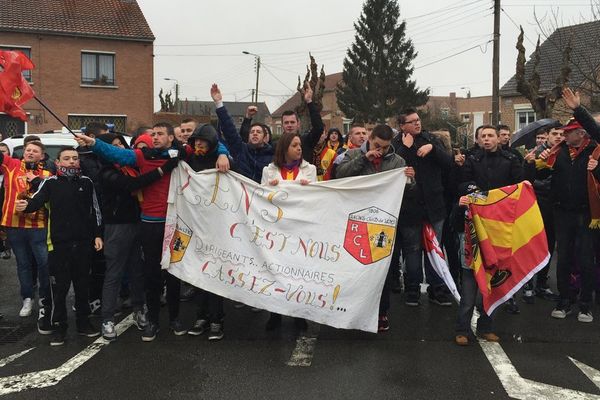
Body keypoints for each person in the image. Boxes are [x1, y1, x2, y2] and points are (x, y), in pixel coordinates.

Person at [74, 123, 230, 341]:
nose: (155, 137)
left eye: (160, 134)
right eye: (153, 134)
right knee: (152, 275)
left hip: (176, 224)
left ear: (170, 138)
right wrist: (94, 143)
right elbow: (115, 153)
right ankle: (154, 322)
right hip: (150, 224)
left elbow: (210, 143)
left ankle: (175, 319)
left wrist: (223, 154)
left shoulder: (182, 153)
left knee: (175, 274)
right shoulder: (141, 156)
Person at [16, 147, 103, 346]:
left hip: (83, 244)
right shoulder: (50, 183)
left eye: (74, 158)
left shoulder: (87, 182)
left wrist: (98, 235)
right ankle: (59, 326)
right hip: (58, 245)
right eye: (67, 158)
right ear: (58, 163)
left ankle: (83, 323)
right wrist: (25, 206)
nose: (71, 161)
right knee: (60, 289)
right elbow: (36, 201)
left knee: (83, 287)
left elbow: (96, 211)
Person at [96, 133, 179, 341]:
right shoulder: (107, 171)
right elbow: (133, 185)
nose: (119, 149)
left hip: (139, 222)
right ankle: (107, 318)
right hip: (118, 226)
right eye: (113, 146)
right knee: (114, 272)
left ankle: (139, 308)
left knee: (137, 271)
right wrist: (163, 169)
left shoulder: (134, 166)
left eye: (121, 145)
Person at [336, 124, 415, 331]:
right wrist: (364, 159)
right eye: (378, 145)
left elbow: (407, 190)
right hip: (356, 220)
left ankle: (381, 312)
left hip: (383, 223)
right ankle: (351, 310)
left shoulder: (397, 161)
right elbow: (340, 176)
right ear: (369, 138)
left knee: (383, 269)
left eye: (386, 146)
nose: (381, 150)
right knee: (354, 268)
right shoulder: (351, 154)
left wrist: (410, 179)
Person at [455, 125, 523, 346]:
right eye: (482, 136)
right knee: (469, 279)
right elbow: (462, 183)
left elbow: (519, 186)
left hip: (499, 228)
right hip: (473, 226)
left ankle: (487, 326)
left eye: (490, 135)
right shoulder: (471, 160)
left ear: (498, 138)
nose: (486, 139)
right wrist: (475, 192)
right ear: (477, 139)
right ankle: (462, 329)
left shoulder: (511, 160)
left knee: (494, 279)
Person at [538, 119, 600, 323]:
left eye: (569, 132)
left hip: (586, 214)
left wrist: (597, 168)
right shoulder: (558, 151)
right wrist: (538, 161)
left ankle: (585, 305)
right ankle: (564, 300)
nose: (564, 136)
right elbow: (538, 174)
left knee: (585, 259)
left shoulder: (595, 150)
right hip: (562, 212)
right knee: (563, 258)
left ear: (581, 134)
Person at [393, 108, 454, 306]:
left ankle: (437, 290)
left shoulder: (431, 139)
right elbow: (394, 168)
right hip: (409, 208)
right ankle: (412, 291)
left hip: (434, 206)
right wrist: (406, 149)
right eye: (412, 122)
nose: (417, 124)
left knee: (434, 250)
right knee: (412, 250)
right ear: (402, 126)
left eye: (418, 120)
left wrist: (433, 149)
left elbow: (448, 164)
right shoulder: (396, 144)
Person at [261, 131, 316, 331]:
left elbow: (316, 199)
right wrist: (269, 188)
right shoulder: (269, 171)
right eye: (294, 145)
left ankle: (299, 315)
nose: (299, 148)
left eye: (300, 145)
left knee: (298, 274)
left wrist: (308, 188)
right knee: (276, 272)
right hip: (277, 230)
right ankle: (275, 314)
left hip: (299, 230)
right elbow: (261, 197)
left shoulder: (310, 170)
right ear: (284, 149)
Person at [184, 121, 230, 340]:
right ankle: (201, 316)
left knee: (214, 273)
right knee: (197, 273)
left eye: (203, 141)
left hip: (218, 225)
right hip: (196, 223)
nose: (199, 144)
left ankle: (216, 319)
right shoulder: (189, 160)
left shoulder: (222, 161)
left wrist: (224, 154)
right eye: (196, 141)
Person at [0, 141, 52, 321]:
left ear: (42, 155)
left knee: (43, 263)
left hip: (38, 226)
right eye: (28, 150)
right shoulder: (12, 165)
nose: (30, 152)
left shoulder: (47, 174)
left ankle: (45, 297)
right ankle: (27, 298)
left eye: (35, 151)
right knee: (23, 264)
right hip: (14, 225)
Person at [212, 84, 273, 183]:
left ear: (265, 137)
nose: (255, 134)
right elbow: (230, 130)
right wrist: (219, 103)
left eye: (258, 132)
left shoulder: (272, 155)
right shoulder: (241, 150)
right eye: (252, 132)